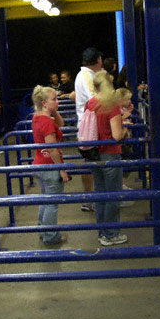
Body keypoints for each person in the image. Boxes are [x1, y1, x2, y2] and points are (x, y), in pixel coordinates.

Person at [86, 71, 129, 246]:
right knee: (113, 195)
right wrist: (125, 131)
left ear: (94, 87)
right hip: (110, 153)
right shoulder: (111, 106)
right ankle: (111, 234)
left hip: (94, 153)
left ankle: (102, 232)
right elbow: (117, 135)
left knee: (100, 193)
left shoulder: (90, 104)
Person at [31, 85, 70, 245]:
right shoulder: (46, 122)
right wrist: (62, 171)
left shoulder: (37, 117)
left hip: (39, 164)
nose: (57, 101)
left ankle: (43, 230)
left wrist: (53, 110)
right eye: (54, 99)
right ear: (44, 102)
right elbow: (53, 149)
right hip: (50, 166)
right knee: (52, 203)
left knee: (46, 199)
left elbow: (61, 124)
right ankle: (51, 236)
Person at [75, 47, 103, 211]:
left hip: (90, 126)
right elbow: (96, 99)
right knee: (91, 163)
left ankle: (92, 199)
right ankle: (90, 199)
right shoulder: (86, 76)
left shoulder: (87, 75)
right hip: (90, 128)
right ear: (98, 59)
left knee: (91, 163)